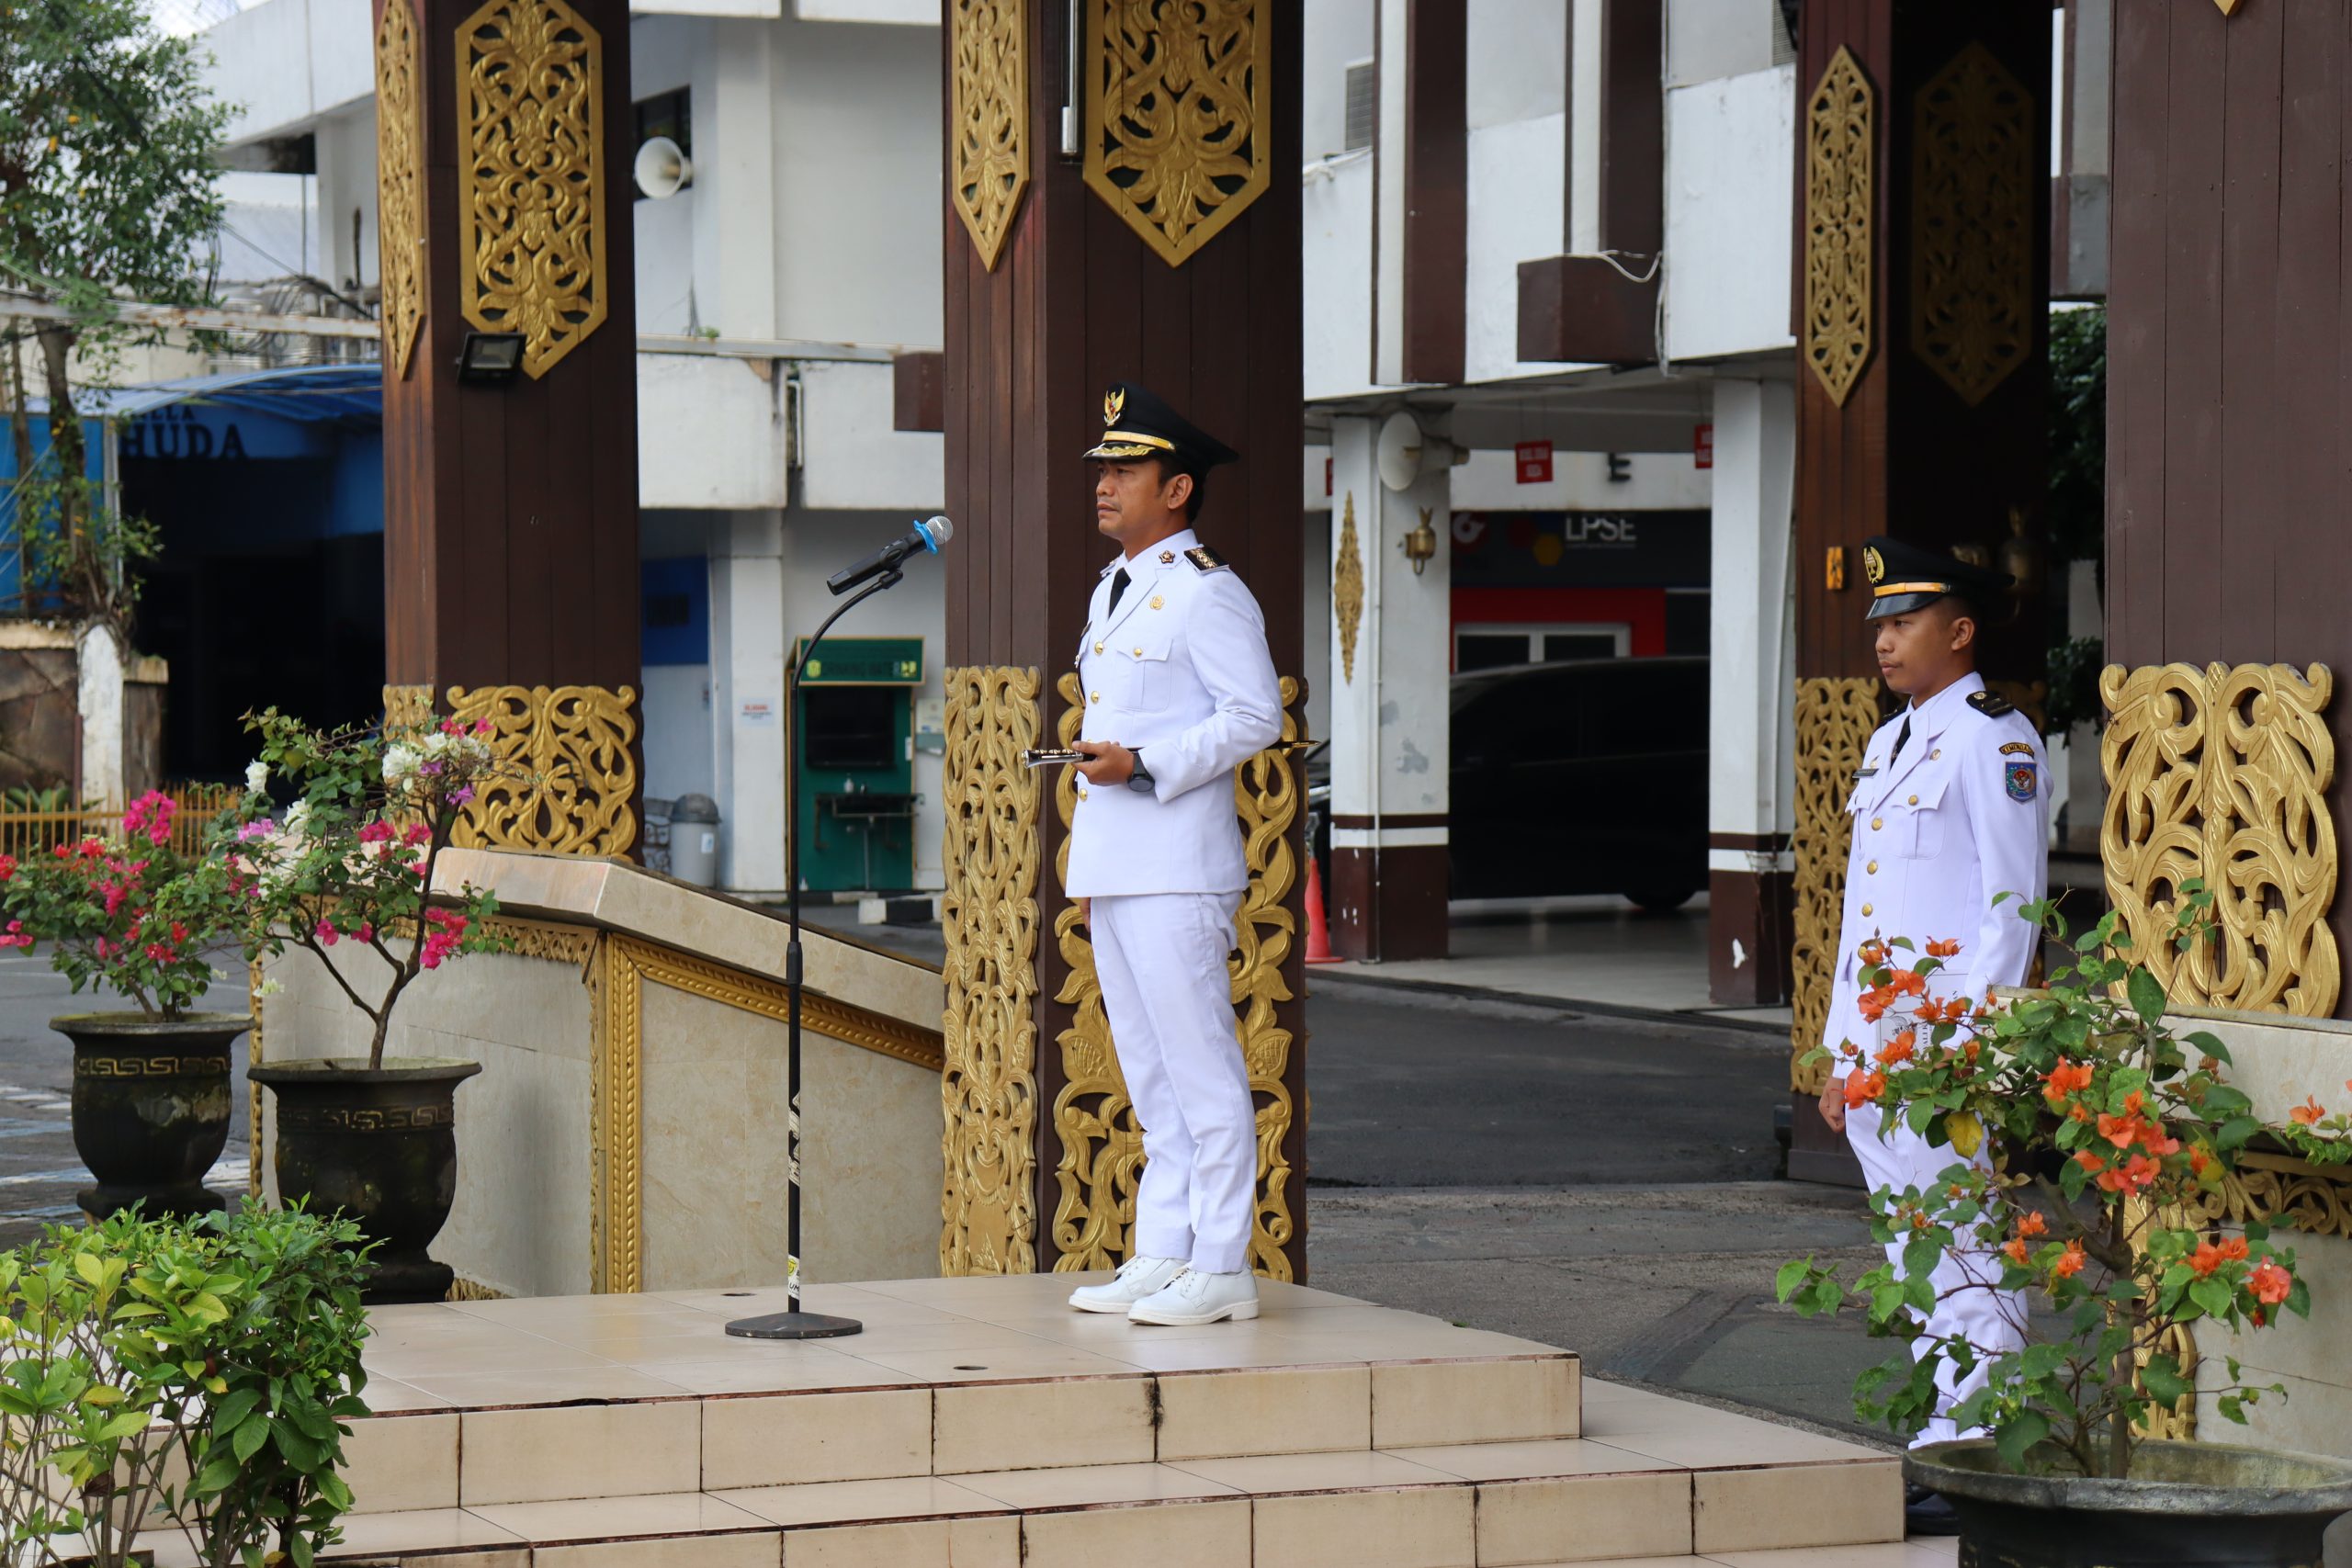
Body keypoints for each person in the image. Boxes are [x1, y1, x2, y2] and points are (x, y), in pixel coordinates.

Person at [1815, 536, 2048, 1534]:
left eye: (1903, 622)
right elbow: (1862, 914)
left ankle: (1978, 1447)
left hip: (1944, 1051)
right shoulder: (1891, 741)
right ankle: (1938, 1440)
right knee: (1916, 1249)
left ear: (1958, 632)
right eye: (1878, 622)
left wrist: (1972, 1051)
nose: (1883, 639)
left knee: (1964, 1245)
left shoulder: (1995, 739)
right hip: (1879, 1048)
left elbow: (2012, 907)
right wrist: (1838, 1050)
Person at [1060, 382, 1283, 1327]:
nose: (1106, 484)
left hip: (1179, 867)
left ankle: (1224, 1262)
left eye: (1127, 470)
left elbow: (1253, 717)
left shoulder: (1207, 593)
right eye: (1103, 470)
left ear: (1178, 487)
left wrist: (1144, 763)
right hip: (1119, 864)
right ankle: (1164, 1249)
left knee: (1199, 1068)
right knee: (1148, 1075)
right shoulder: (1113, 586)